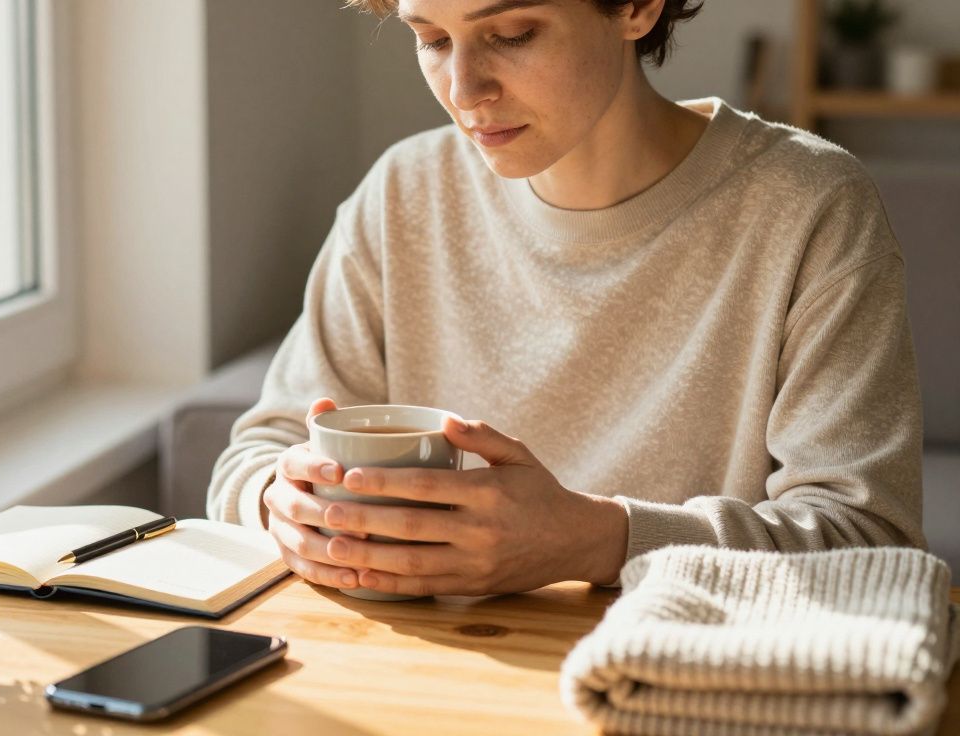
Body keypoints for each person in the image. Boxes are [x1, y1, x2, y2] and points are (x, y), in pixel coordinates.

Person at [206, 0, 924, 598]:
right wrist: (281, 502)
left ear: (638, 7)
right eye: (430, 39)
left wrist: (597, 541)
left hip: (681, 688)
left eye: (510, 34)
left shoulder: (808, 207)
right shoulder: (403, 195)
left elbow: (868, 541)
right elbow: (255, 455)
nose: (464, 89)